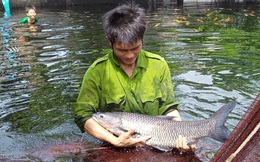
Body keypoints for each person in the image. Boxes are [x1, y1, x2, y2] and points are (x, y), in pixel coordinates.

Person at [73, 3, 196, 152]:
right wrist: (115, 141)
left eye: (135, 48)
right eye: (122, 50)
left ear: (142, 39)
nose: (130, 55)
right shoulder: (97, 71)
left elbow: (168, 108)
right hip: (113, 146)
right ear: (110, 41)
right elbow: (83, 115)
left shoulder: (158, 65)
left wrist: (180, 137)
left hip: (156, 143)